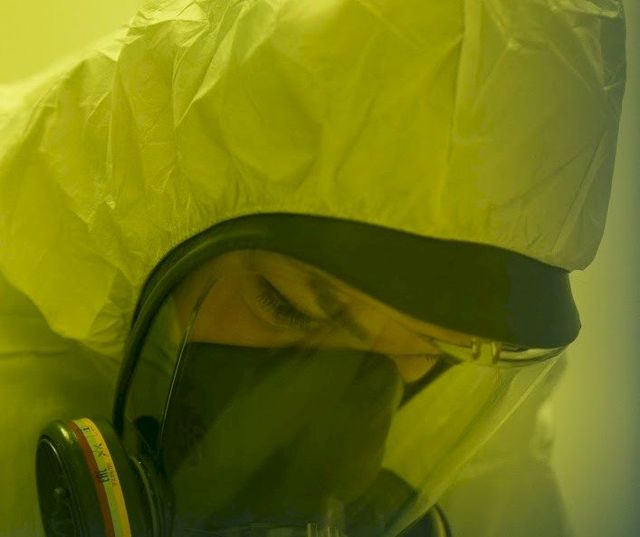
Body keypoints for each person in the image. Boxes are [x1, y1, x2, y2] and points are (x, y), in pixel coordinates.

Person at [0, 0, 626, 535]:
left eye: (426, 350)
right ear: (160, 204)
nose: (337, 418)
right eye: (290, 306)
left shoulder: (461, 396)